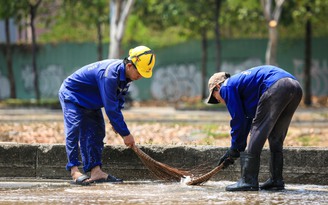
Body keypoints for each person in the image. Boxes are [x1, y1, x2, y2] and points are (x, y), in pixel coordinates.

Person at [58, 45, 156, 186]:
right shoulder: (110, 74)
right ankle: (74, 170)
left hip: (92, 100)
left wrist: (116, 123)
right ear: (129, 65)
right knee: (74, 128)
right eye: (140, 72)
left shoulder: (126, 77)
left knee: (97, 131)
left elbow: (118, 101)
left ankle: (96, 171)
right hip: (73, 94)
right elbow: (110, 109)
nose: (140, 77)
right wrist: (125, 133)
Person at [206, 65, 302, 191]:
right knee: (275, 137)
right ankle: (276, 180)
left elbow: (238, 119)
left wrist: (235, 147)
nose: (219, 101)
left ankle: (248, 180)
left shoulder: (226, 87)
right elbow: (246, 120)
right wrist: (236, 149)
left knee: (257, 129)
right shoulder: (245, 86)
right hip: (294, 86)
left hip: (277, 86)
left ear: (217, 87)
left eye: (215, 97)